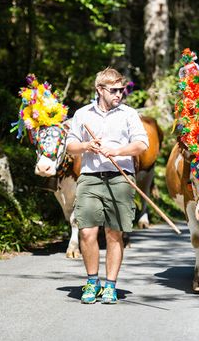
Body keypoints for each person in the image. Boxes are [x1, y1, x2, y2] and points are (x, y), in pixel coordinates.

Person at [65, 67, 149, 304]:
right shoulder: (82, 114)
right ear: (99, 90)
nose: (119, 94)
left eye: (121, 90)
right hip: (90, 177)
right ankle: (92, 282)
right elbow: (70, 145)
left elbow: (142, 144)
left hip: (120, 178)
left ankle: (110, 286)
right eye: (114, 90)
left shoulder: (129, 114)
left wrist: (118, 150)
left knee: (114, 233)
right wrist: (86, 146)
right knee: (87, 231)